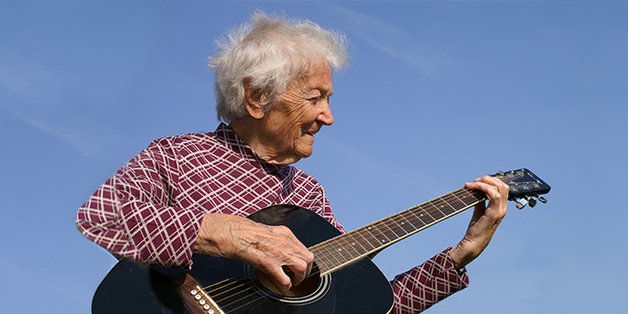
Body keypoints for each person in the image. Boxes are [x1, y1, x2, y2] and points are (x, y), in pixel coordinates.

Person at [76, 12, 509, 313]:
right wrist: (227, 234)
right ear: (257, 97)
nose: (328, 116)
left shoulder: (308, 196)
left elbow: (361, 307)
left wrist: (457, 258)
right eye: (315, 96)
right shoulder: (176, 154)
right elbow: (102, 216)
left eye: (329, 99)